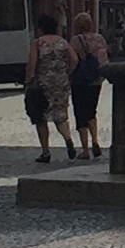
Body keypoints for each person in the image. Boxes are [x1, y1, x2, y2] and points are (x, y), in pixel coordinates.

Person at [25, 13, 80, 162]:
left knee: (41, 117)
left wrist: (29, 79)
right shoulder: (63, 42)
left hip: (42, 84)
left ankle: (46, 152)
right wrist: (66, 72)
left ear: (41, 28)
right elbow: (74, 59)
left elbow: (32, 64)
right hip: (61, 83)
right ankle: (68, 139)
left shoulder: (37, 43)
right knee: (60, 114)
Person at [68, 14, 109, 159]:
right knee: (92, 111)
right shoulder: (99, 38)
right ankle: (95, 141)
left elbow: (73, 60)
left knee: (80, 112)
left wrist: (69, 74)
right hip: (96, 80)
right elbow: (104, 59)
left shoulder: (76, 40)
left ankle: (85, 149)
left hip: (80, 81)